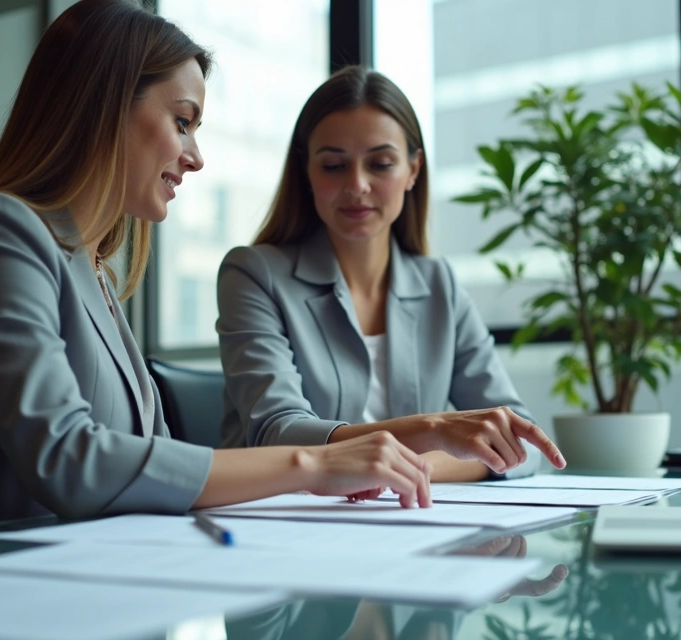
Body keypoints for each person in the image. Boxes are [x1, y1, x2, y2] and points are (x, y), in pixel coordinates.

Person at [0, 0, 432, 535]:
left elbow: (154, 463)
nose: (195, 156)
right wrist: (314, 466)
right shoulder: (1, 229)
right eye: (183, 122)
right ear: (105, 105)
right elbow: (69, 459)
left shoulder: (94, 271)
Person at [216, 66, 566, 483]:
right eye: (333, 166)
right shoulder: (254, 274)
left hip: (409, 517)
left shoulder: (440, 285)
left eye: (380, 164)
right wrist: (434, 431)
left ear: (413, 170)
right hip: (283, 521)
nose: (357, 184)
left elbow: (521, 442)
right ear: (306, 171)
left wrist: (408, 469)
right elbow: (277, 434)